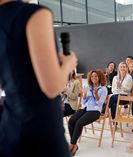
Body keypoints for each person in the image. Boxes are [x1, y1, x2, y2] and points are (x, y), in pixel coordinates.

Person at [0, 1, 77, 157]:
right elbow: (52, 87)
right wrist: (68, 64)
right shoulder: (34, 14)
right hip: (41, 129)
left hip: (9, 128)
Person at [68, 70, 108, 155]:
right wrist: (85, 95)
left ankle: (72, 145)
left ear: (99, 77)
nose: (94, 78)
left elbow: (100, 103)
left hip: (95, 110)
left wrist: (96, 94)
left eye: (96, 76)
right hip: (85, 108)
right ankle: (74, 143)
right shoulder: (88, 87)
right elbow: (83, 102)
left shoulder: (103, 89)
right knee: (71, 120)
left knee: (79, 123)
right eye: (92, 76)